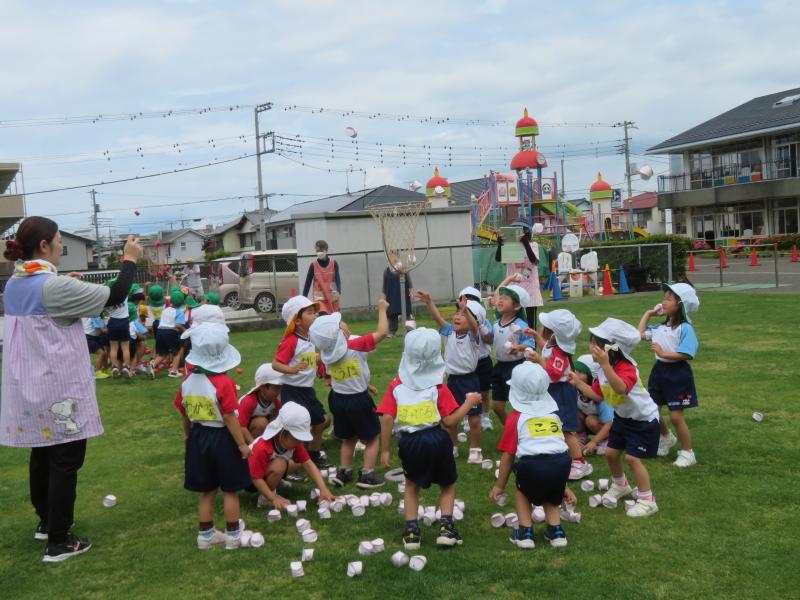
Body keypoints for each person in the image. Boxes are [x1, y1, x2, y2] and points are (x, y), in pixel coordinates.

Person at [1, 216, 142, 562]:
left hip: (31, 386)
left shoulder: (15, 283)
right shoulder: (53, 286)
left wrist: (71, 286)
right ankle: (59, 540)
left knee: (42, 455)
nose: (62, 246)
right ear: (44, 246)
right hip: (59, 388)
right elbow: (116, 296)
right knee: (65, 461)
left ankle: (46, 522)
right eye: (59, 241)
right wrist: (129, 258)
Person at [378, 328, 482, 550]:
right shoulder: (438, 387)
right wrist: (469, 403)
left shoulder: (396, 386)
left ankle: (411, 532)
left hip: (409, 443)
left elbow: (386, 418)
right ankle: (446, 528)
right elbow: (450, 422)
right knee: (447, 484)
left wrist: (385, 449)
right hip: (437, 439)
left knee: (411, 485)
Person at [567, 318, 660, 518]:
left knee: (632, 458)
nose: (591, 347)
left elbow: (620, 388)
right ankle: (621, 485)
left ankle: (648, 500)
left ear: (612, 349)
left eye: (596, 344)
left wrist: (606, 366)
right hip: (623, 418)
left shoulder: (626, 367)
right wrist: (578, 382)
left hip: (643, 421)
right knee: (610, 453)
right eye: (591, 342)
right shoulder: (602, 370)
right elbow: (597, 395)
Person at [174, 322, 251, 550]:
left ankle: (205, 536)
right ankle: (233, 536)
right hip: (223, 438)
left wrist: (187, 436)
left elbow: (184, 414)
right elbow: (229, 417)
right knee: (230, 489)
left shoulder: (187, 382)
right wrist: (242, 444)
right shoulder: (224, 383)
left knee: (207, 490)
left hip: (198, 436)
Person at [490, 362, 572, 549]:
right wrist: (563, 485)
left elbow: (508, 456)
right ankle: (556, 531)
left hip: (532, 466)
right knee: (552, 491)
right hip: (562, 464)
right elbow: (556, 449)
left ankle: (525, 532)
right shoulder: (553, 416)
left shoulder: (516, 419)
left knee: (523, 490)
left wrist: (499, 486)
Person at [309, 300, 389, 489]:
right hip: (358, 400)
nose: (343, 323)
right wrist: (382, 309)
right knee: (372, 437)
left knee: (348, 438)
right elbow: (382, 332)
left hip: (337, 399)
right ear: (339, 333)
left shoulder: (326, 353)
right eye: (339, 323)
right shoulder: (355, 344)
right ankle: (367, 474)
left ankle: (344, 471)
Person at [638, 283, 700, 468]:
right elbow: (639, 334)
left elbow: (687, 353)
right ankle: (666, 437)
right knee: (651, 411)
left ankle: (688, 453)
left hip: (678, 374)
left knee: (675, 417)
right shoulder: (660, 327)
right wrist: (648, 314)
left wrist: (664, 353)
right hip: (659, 373)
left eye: (669, 299)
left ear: (680, 305)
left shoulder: (685, 328)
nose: (663, 302)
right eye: (664, 298)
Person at [417, 290, 484, 463]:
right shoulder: (448, 332)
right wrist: (429, 302)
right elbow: (438, 318)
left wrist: (465, 309)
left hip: (470, 380)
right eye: (457, 313)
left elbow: (474, 326)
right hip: (452, 381)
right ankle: (453, 446)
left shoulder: (473, 336)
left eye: (463, 315)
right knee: (450, 416)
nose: (458, 316)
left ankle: (475, 449)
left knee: (474, 419)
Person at [523, 309, 589, 479]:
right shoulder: (553, 345)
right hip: (553, 391)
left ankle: (580, 462)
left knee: (566, 429)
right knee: (555, 423)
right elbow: (545, 347)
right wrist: (535, 336)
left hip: (561, 392)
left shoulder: (560, 353)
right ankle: (563, 453)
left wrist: (539, 360)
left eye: (543, 327)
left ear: (553, 333)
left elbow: (554, 374)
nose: (541, 328)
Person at [271, 295, 333, 470]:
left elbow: (308, 359)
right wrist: (292, 369)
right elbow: (276, 364)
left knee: (319, 422)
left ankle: (313, 454)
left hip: (307, 390)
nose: (315, 315)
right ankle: (286, 458)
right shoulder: (291, 341)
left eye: (315, 312)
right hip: (292, 391)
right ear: (297, 321)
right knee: (292, 426)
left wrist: (318, 367)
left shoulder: (310, 337)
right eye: (309, 313)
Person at [247, 403, 336, 510]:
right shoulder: (262, 447)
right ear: (282, 432)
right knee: (279, 464)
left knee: (299, 462)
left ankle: (274, 482)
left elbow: (308, 464)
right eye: (297, 438)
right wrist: (273, 498)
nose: (300, 442)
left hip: (263, 472)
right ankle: (265, 499)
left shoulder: (294, 443)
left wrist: (323, 489)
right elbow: (255, 478)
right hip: (249, 480)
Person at [486, 279, 536, 425]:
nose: (500, 300)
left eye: (505, 298)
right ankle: (512, 431)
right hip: (499, 367)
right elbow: (491, 339)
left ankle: (521, 431)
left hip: (516, 367)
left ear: (517, 306)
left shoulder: (520, 325)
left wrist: (518, 348)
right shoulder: (496, 322)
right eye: (500, 298)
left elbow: (531, 343)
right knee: (497, 406)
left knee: (517, 405)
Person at [458, 286, 494, 432]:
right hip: (466, 363)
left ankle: (485, 416)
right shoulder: (459, 323)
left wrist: (481, 327)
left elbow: (489, 340)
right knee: (467, 392)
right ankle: (466, 417)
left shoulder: (484, 322)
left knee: (484, 392)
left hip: (482, 360)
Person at [495, 223, 543, 325]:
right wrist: (500, 243)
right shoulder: (509, 246)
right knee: (513, 321)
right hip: (513, 289)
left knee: (530, 322)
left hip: (530, 289)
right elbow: (498, 258)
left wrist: (525, 243)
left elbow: (534, 261)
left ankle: (530, 335)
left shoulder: (533, 245)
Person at [573, 354, 613, 456]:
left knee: (590, 420)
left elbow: (611, 424)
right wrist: (574, 437)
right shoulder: (574, 389)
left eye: (580, 372)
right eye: (575, 370)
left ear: (592, 377)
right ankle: (582, 437)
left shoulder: (602, 396)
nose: (575, 375)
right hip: (590, 424)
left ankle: (608, 441)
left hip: (610, 428)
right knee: (573, 411)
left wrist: (594, 441)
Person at [238, 364, 283, 443]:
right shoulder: (249, 401)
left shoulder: (276, 403)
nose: (279, 391)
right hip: (240, 434)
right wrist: (254, 446)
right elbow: (241, 427)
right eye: (276, 388)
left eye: (280, 387)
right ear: (262, 387)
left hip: (254, 431)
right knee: (261, 423)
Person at [149, 289, 188, 378]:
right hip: (170, 332)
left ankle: (152, 365)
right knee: (177, 352)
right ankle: (173, 371)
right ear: (182, 302)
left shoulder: (165, 310)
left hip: (160, 332)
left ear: (171, 301)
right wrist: (185, 330)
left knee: (162, 353)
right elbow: (178, 325)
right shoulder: (179, 312)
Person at [302, 240, 340, 314]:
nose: (319, 253)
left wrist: (338, 291)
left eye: (321, 250)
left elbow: (337, 279)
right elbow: (308, 282)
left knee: (333, 318)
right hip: (319, 298)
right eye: (317, 251)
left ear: (326, 250)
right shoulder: (313, 265)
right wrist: (303, 298)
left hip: (332, 296)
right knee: (323, 315)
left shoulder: (333, 263)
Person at [105, 277, 132, 378]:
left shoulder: (106, 298)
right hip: (124, 321)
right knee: (125, 347)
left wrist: (108, 321)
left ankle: (114, 367)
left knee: (114, 347)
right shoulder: (123, 295)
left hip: (112, 322)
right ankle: (126, 366)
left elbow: (104, 313)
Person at [382, 254, 413, 337]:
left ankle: (410, 330)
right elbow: (385, 286)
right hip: (391, 295)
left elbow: (409, 280)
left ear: (398, 257)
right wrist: (384, 297)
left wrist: (411, 291)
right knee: (392, 314)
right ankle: (392, 331)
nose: (392, 258)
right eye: (391, 256)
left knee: (407, 312)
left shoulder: (403, 268)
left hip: (403, 294)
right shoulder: (386, 271)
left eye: (394, 256)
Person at [83, 314, 110, 379]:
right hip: (89, 337)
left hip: (96, 337)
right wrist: (114, 329)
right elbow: (102, 330)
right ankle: (97, 372)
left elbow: (106, 323)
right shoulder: (95, 316)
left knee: (104, 353)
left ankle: (106, 370)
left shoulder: (102, 316)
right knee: (101, 353)